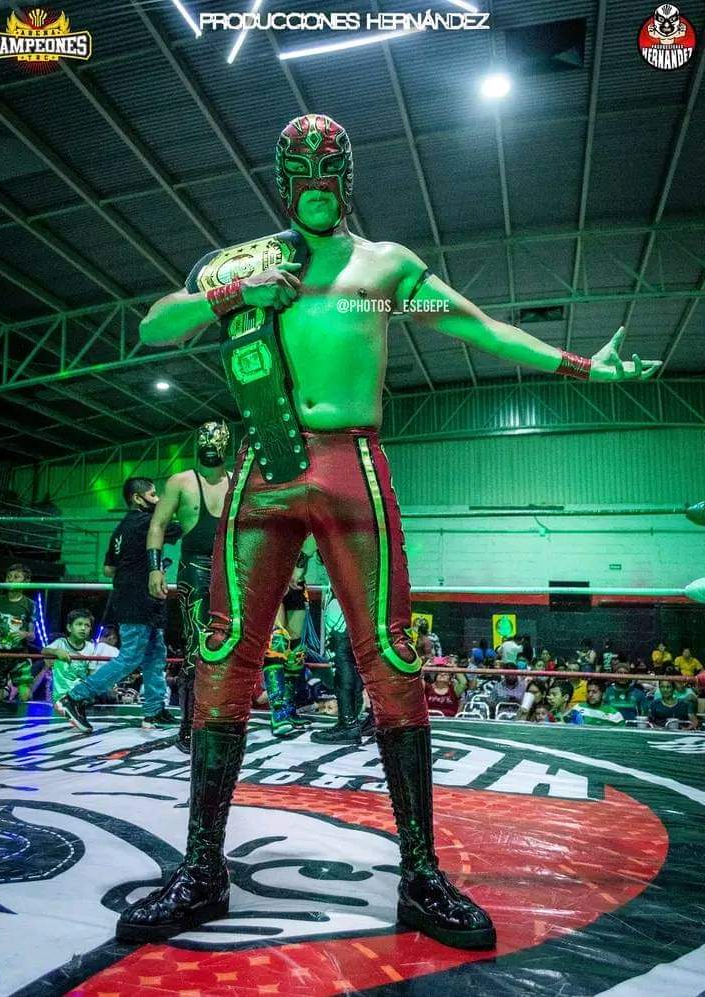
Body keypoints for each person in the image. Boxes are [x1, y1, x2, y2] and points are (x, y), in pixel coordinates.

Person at [117, 113, 659, 950]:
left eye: (325, 172)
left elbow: (476, 325)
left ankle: (420, 875)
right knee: (223, 657)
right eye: (300, 173)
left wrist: (583, 364)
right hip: (266, 461)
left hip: (352, 464)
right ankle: (202, 869)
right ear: (283, 181)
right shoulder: (250, 262)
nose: (314, 186)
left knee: (393, 659)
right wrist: (235, 295)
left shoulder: (380, 271)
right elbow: (155, 324)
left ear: (345, 178)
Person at [58, 478, 182, 735]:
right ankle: (75, 697)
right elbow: (183, 527)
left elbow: (108, 568)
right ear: (137, 498)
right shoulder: (147, 522)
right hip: (138, 598)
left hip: (143, 598)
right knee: (131, 656)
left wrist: (134, 563)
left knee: (155, 655)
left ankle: (154, 711)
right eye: (153, 494)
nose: (158, 499)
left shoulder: (122, 528)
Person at [146, 420, 231, 752]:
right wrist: (155, 568)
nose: (210, 448)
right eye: (205, 442)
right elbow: (158, 524)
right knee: (196, 649)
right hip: (194, 569)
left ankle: (218, 721)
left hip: (231, 572)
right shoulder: (180, 481)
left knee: (228, 649)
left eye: (216, 442)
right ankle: (188, 728)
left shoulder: (236, 482)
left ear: (225, 447)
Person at [311, 584, 363, 744]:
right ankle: (353, 720)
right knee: (351, 655)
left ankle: (348, 723)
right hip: (358, 592)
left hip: (345, 591)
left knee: (340, 653)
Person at [0, 564, 35, 703]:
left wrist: (25, 634)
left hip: (20, 656)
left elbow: (33, 636)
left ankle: (23, 716)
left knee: (25, 695)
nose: (11, 580)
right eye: (9, 577)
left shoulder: (30, 605)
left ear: (26, 581)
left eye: (16, 577)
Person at [48, 610, 99, 706]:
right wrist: (56, 651)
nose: (83, 628)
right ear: (69, 627)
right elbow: (44, 650)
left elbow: (91, 674)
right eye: (79, 624)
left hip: (80, 696)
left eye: (87, 625)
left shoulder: (91, 647)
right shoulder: (60, 643)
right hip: (61, 697)